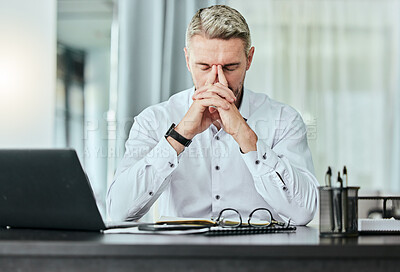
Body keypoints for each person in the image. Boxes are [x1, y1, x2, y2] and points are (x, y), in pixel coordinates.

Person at [107, 5, 319, 225]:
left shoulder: (284, 120)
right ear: (188, 60)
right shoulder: (153, 120)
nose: (218, 81)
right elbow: (119, 211)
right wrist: (179, 137)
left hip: (258, 256)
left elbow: (303, 212)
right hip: (183, 256)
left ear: (249, 59)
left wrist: (244, 135)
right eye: (204, 66)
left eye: (230, 67)